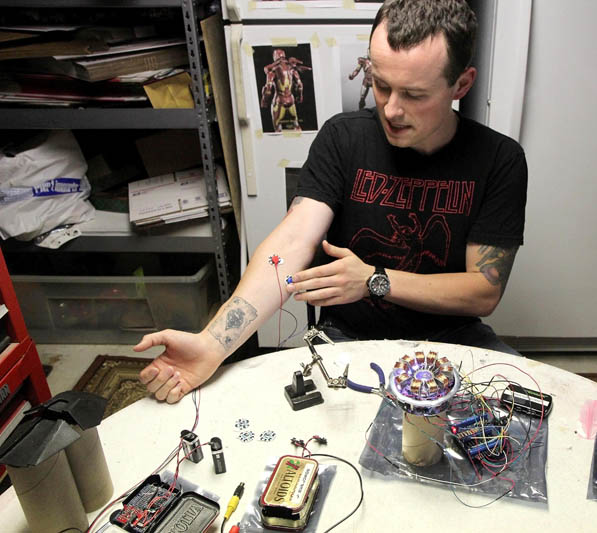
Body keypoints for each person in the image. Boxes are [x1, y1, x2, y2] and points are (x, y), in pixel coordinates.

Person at [136, 0, 528, 404]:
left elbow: (483, 290)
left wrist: (375, 280)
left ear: (461, 85)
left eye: (414, 95)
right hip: (351, 335)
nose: (391, 109)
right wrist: (213, 344)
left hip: (452, 338)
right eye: (381, 85)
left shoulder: (500, 160)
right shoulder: (343, 139)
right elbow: (290, 245)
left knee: (524, 412)